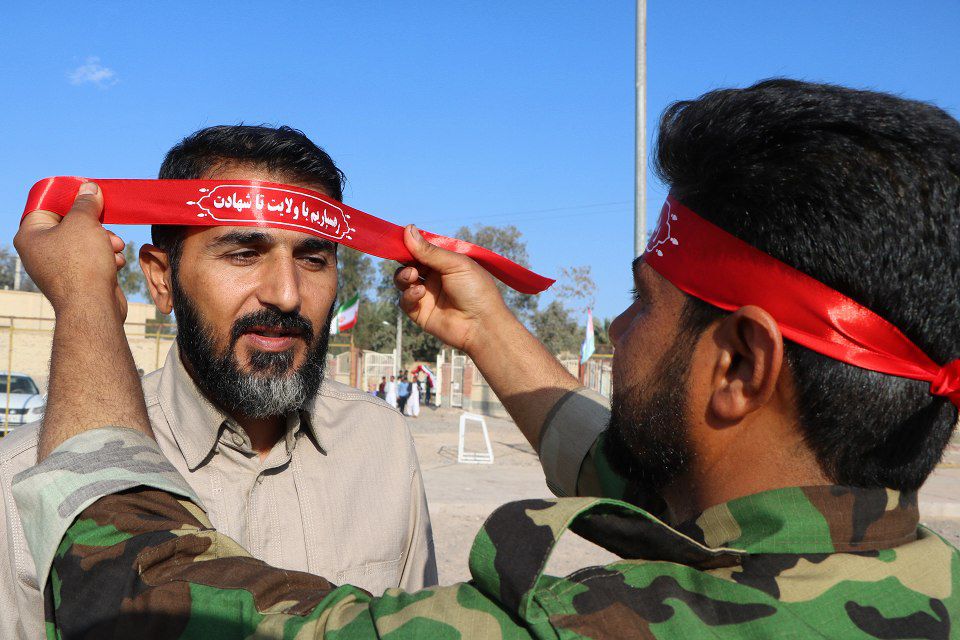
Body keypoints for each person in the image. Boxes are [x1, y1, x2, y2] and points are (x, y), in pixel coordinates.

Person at [13, 79, 960, 638]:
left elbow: (127, 584)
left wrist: (84, 312)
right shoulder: (920, 571)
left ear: (743, 366)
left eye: (645, 302)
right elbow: (650, 484)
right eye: (240, 252)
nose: (619, 329)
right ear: (161, 274)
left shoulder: (588, 618)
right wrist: (488, 330)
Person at [0, 125, 436, 639]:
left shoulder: (382, 443)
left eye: (313, 259)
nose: (287, 294)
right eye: (243, 254)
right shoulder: (28, 477)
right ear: (161, 279)